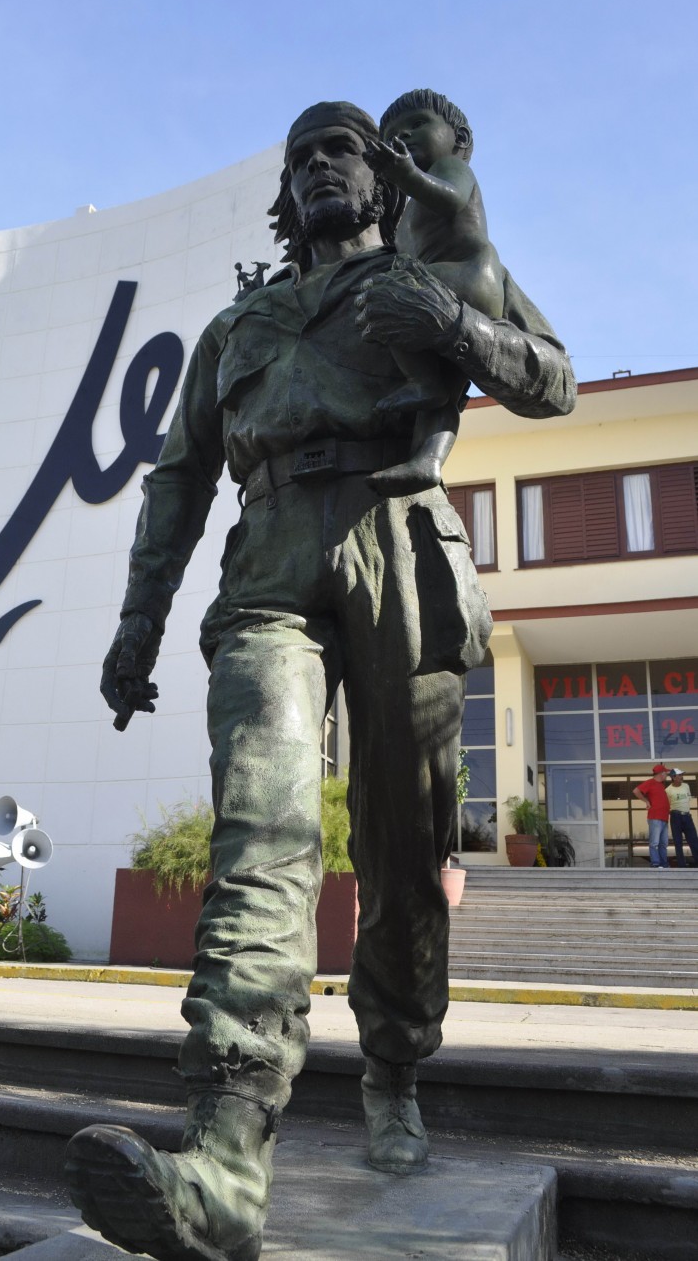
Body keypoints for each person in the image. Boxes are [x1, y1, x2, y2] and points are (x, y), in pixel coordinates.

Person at [65, 101, 576, 1261]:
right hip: (272, 555)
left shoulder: (435, 267)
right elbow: (177, 483)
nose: (318, 169)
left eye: (339, 148)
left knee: (403, 847)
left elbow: (556, 380)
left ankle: (393, 1067)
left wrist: (450, 321)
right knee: (266, 827)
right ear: (283, 200)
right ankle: (228, 1156)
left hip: (402, 543)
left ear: (382, 177)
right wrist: (137, 627)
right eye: (300, 161)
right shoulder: (236, 327)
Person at [362, 88, 504, 494]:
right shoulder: (410, 209)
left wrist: (407, 176)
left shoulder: (452, 170)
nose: (402, 137)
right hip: (451, 286)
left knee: (387, 299)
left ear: (459, 138)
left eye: (417, 124)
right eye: (393, 134)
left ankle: (421, 381)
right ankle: (428, 461)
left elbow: (452, 200)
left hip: (469, 275)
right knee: (447, 387)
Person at [634, 763, 672, 868]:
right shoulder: (650, 782)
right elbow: (636, 791)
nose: (667, 775)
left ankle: (664, 864)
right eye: (666, 773)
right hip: (655, 817)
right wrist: (646, 801)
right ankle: (655, 863)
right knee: (655, 842)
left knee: (663, 843)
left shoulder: (661, 785)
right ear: (661, 773)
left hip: (664, 818)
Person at [666, 768, 698, 868]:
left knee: (694, 840)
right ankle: (681, 865)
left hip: (687, 816)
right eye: (679, 775)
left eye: (681, 775)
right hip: (676, 817)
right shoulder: (668, 790)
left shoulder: (686, 786)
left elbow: (688, 798)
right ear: (673, 777)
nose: (681, 777)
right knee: (678, 842)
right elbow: (668, 804)